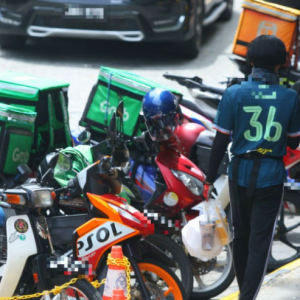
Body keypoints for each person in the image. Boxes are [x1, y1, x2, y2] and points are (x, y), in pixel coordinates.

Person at [201, 35, 300, 300]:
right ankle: (247, 297)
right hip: (271, 176)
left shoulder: (234, 92)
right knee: (260, 244)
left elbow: (221, 140)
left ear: (251, 61)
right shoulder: (290, 97)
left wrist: (209, 179)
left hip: (239, 174)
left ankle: (245, 294)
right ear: (280, 64)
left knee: (240, 237)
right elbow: (294, 140)